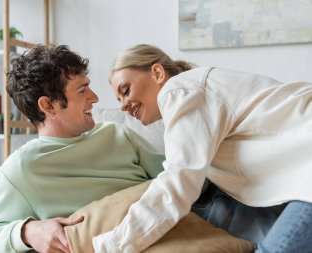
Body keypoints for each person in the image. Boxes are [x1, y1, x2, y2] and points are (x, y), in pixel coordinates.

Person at [92, 44, 312, 253]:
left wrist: (112, 245)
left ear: (157, 73)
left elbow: (177, 184)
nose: (123, 105)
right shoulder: (193, 96)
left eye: (126, 90)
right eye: (119, 99)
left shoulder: (179, 90)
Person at [0, 45, 165, 253]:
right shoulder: (22, 168)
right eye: (82, 91)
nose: (95, 98)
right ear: (48, 106)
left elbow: (178, 179)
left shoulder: (118, 134)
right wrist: (29, 231)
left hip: (165, 232)